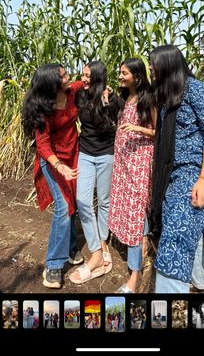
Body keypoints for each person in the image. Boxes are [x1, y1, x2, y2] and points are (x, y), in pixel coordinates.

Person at [150, 44, 204, 293]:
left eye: (155, 68)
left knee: (173, 245)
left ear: (168, 66)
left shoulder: (197, 90)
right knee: (189, 236)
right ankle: (203, 284)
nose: (152, 72)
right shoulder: (167, 95)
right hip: (172, 178)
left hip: (193, 176)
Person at [22, 63, 84, 288]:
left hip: (73, 155)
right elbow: (43, 145)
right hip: (53, 161)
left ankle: (70, 249)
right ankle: (53, 266)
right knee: (63, 209)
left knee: (73, 204)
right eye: (63, 76)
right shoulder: (42, 109)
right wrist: (60, 166)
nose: (69, 77)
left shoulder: (71, 92)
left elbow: (85, 82)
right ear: (51, 84)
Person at [108, 58, 156, 293]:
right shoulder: (126, 97)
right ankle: (143, 243)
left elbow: (157, 132)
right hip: (124, 164)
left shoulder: (148, 99)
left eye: (123, 72)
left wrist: (137, 128)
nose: (120, 75)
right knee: (132, 212)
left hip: (139, 165)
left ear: (137, 76)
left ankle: (134, 277)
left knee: (135, 216)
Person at [69, 61, 120, 284]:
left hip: (107, 154)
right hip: (86, 154)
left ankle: (102, 243)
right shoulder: (79, 95)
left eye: (88, 76)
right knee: (83, 201)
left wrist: (108, 103)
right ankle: (96, 249)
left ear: (98, 77)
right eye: (83, 75)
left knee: (105, 202)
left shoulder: (112, 98)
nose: (84, 79)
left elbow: (117, 123)